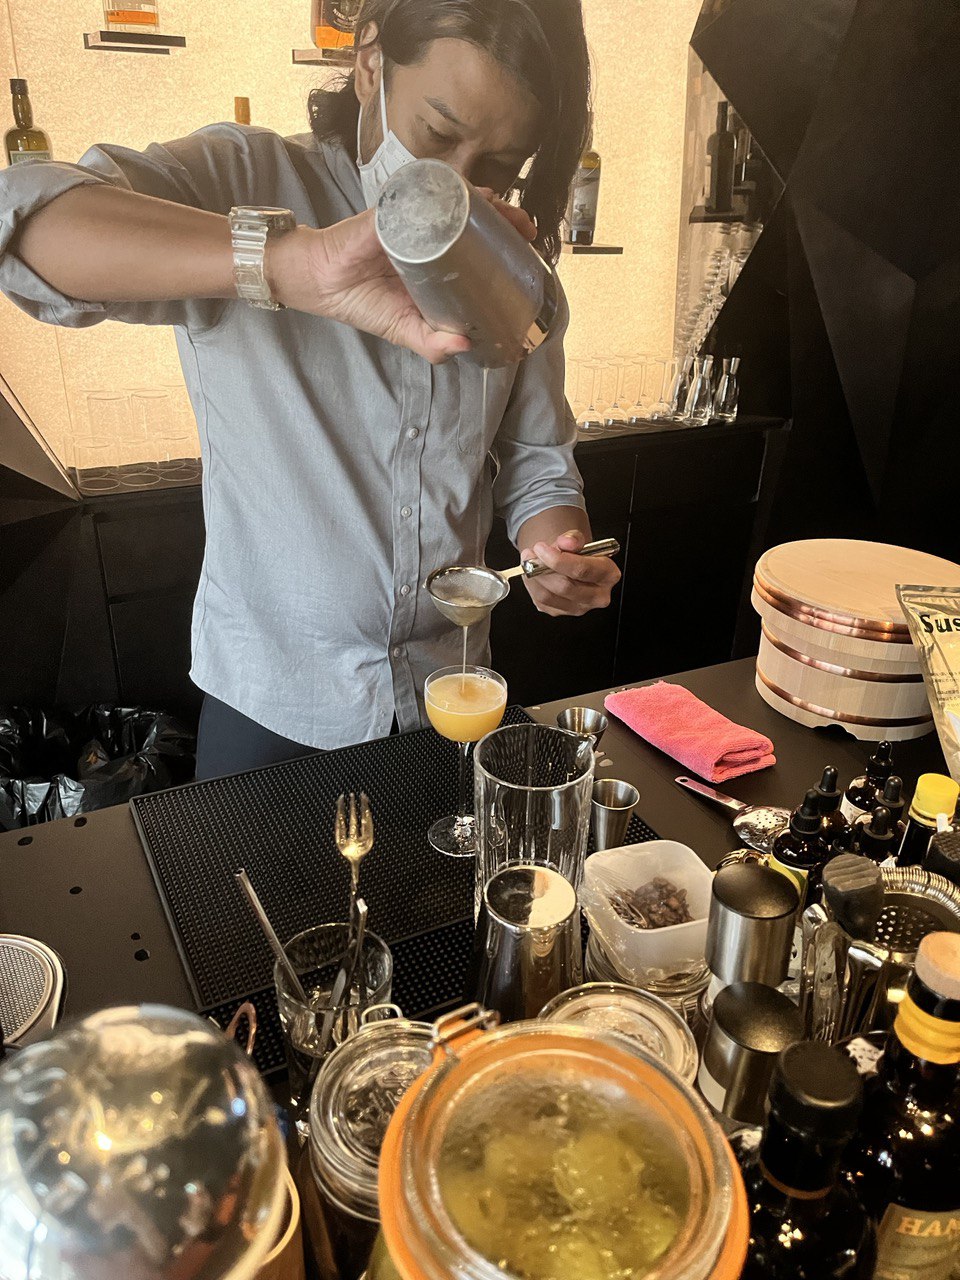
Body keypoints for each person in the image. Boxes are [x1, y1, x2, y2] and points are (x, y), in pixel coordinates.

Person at [0, 0, 620, 778]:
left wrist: (554, 550)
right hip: (271, 706)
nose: (458, 190)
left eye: (498, 166)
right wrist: (292, 265)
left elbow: (536, 461)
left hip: (445, 695)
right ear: (370, 65)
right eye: (436, 135)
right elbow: (21, 229)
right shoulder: (240, 178)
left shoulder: (512, 273)